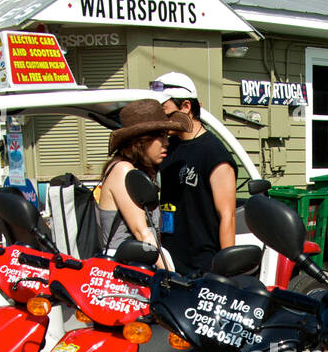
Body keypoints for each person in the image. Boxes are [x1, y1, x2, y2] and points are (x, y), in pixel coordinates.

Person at [150, 71, 238, 272]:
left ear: (186, 107)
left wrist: (227, 273)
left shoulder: (213, 152)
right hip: (169, 259)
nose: (161, 118)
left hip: (203, 264)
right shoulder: (168, 147)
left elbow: (228, 216)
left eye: (165, 110)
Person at [96, 98, 190, 263]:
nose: (166, 143)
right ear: (140, 140)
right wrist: (170, 277)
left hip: (137, 268)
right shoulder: (122, 170)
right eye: (160, 137)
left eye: (166, 136)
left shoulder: (135, 170)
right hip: (123, 273)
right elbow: (142, 233)